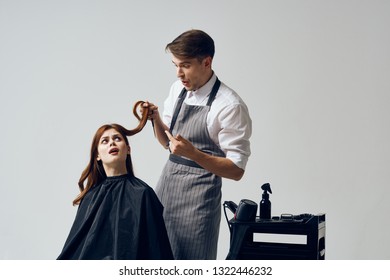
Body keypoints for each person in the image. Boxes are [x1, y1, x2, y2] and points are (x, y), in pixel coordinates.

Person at [143, 29, 252, 259]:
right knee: (155, 259)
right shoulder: (178, 90)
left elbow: (237, 170)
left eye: (185, 65)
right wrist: (155, 119)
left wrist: (195, 154)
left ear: (207, 62)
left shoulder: (229, 105)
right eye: (175, 65)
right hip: (166, 190)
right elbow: (168, 144)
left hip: (199, 201)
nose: (178, 74)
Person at [57, 123, 173, 260]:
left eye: (117, 138)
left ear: (128, 149)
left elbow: (157, 248)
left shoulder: (143, 193)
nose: (112, 142)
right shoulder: (90, 198)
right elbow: (75, 248)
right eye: (105, 141)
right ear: (97, 156)